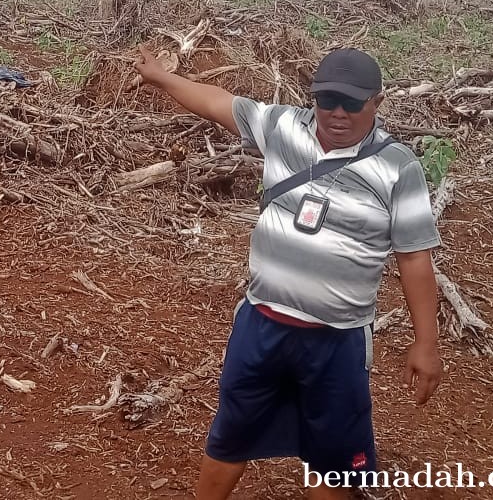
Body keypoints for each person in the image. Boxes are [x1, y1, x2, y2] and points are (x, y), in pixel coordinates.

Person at [133, 46, 443, 500]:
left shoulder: (399, 167)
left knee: (333, 461)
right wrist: (162, 78)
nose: (338, 113)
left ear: (376, 103)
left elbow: (415, 259)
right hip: (262, 324)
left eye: (353, 103)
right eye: (327, 100)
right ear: (312, 98)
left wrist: (426, 344)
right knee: (231, 435)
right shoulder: (283, 126)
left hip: (336, 341)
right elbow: (218, 101)